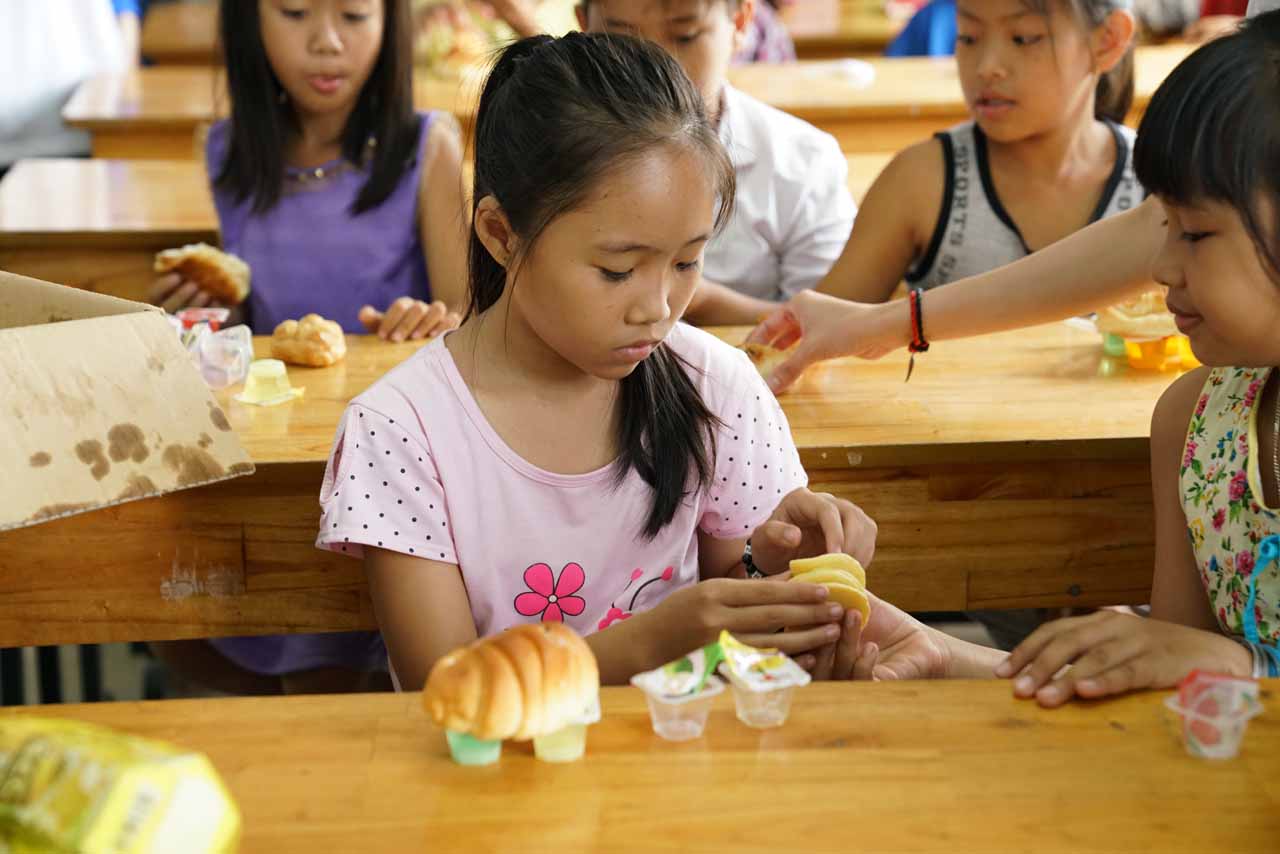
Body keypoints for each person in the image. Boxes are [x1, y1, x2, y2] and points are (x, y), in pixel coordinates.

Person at [315, 32, 878, 689]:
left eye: (687, 262)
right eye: (617, 271)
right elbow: (446, 687)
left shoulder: (717, 387)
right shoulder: (402, 429)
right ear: (500, 234)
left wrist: (774, 565)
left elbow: (738, 592)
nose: (658, 307)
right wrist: (659, 637)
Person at [832, 16, 1280, 698]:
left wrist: (1245, 668)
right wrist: (947, 655)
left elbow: (1209, 665)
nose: (1160, 266)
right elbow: (1169, 683)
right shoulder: (1198, 423)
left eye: (1193, 233)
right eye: (1164, 225)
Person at [580, 0, 857, 325]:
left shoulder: (804, 161)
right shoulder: (546, 148)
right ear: (584, 27)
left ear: (740, 23)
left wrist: (703, 301)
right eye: (621, 39)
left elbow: (826, 323)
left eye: (685, 35)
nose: (655, 64)